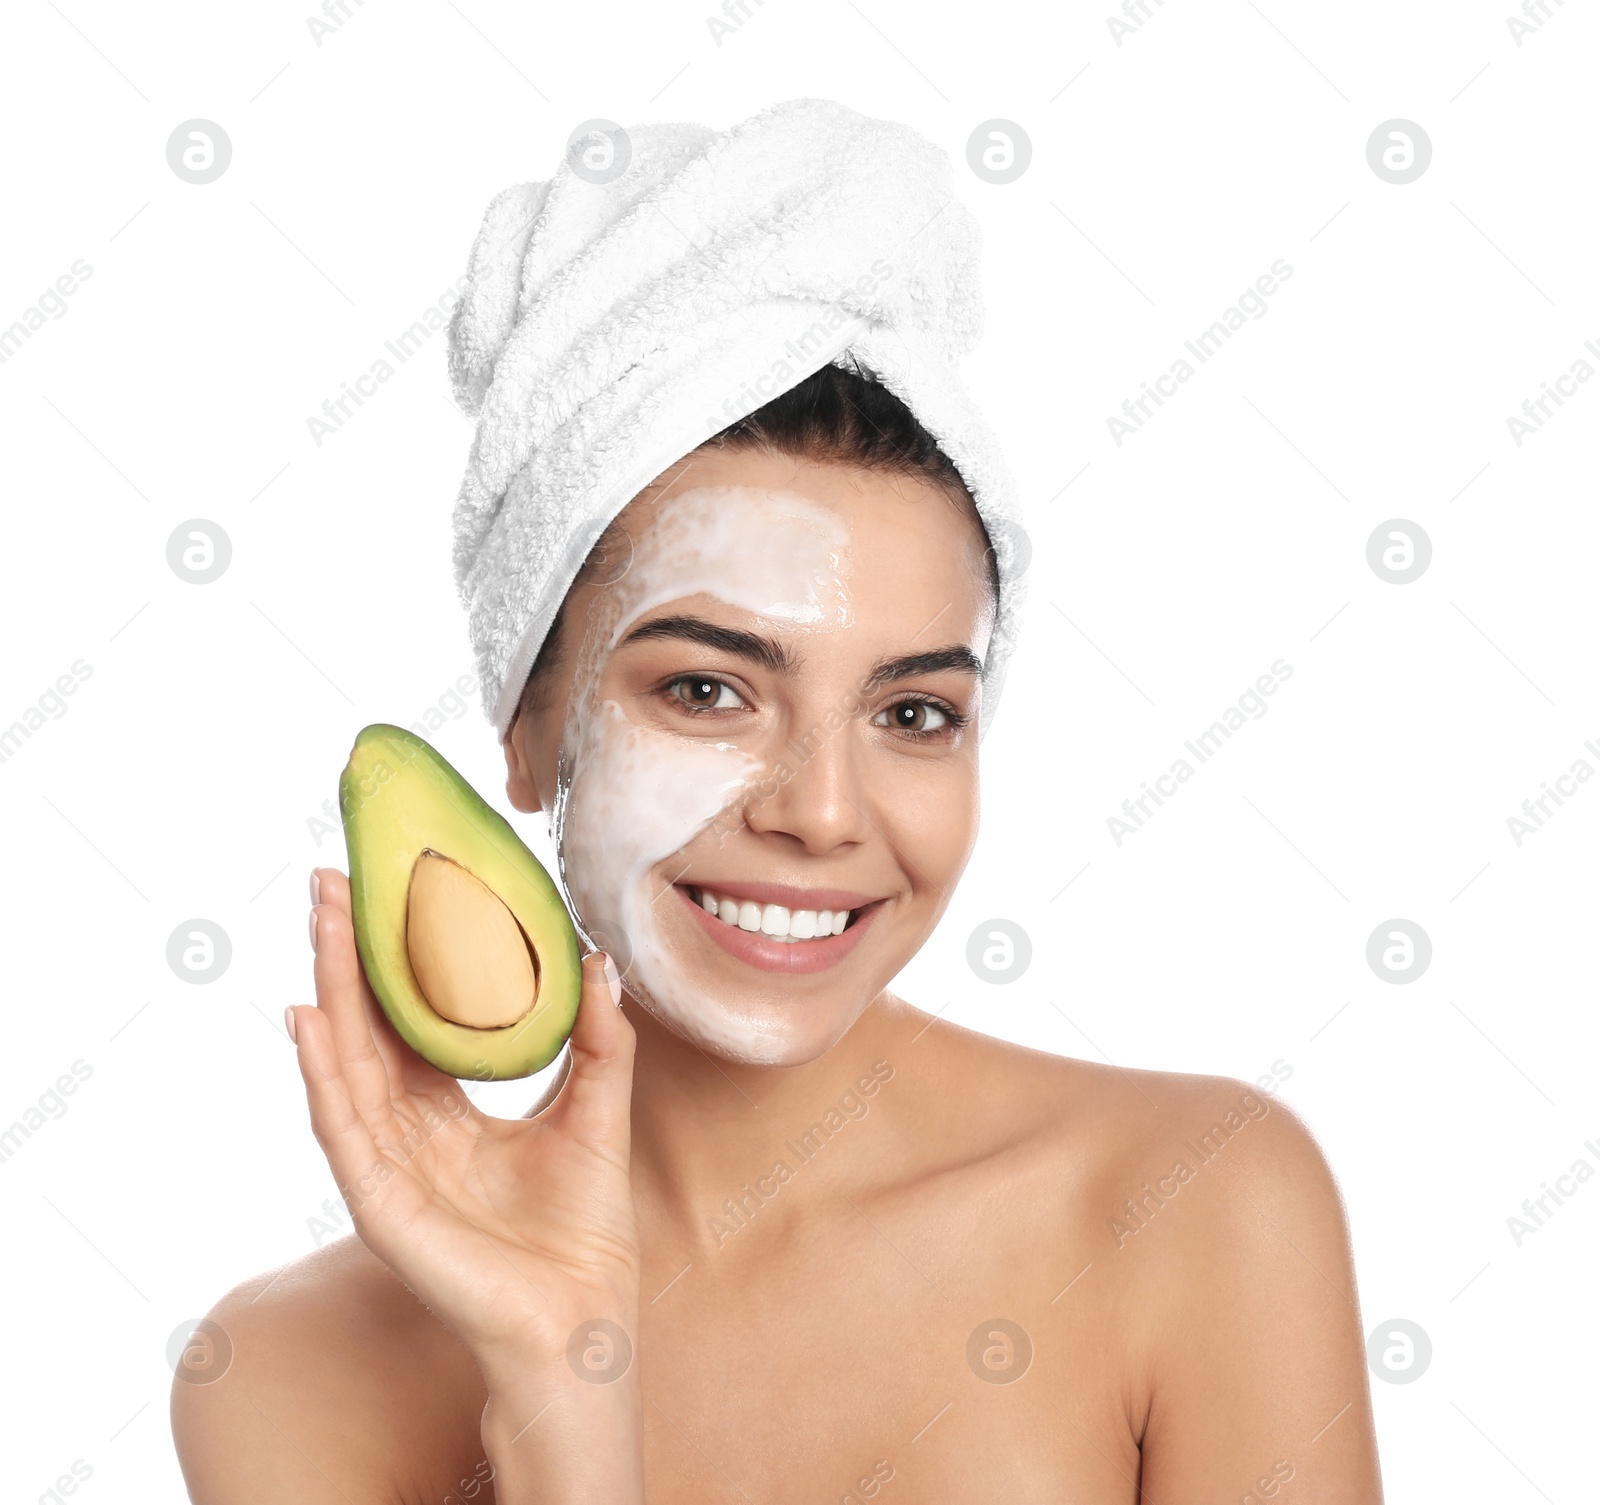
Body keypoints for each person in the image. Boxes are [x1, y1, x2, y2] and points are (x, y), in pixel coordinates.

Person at [173, 101, 1383, 1502]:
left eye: (912, 712)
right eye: (707, 691)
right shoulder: (286, 1371)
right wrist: (566, 1387)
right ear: (529, 728)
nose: (821, 811)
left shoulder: (1197, 1206)